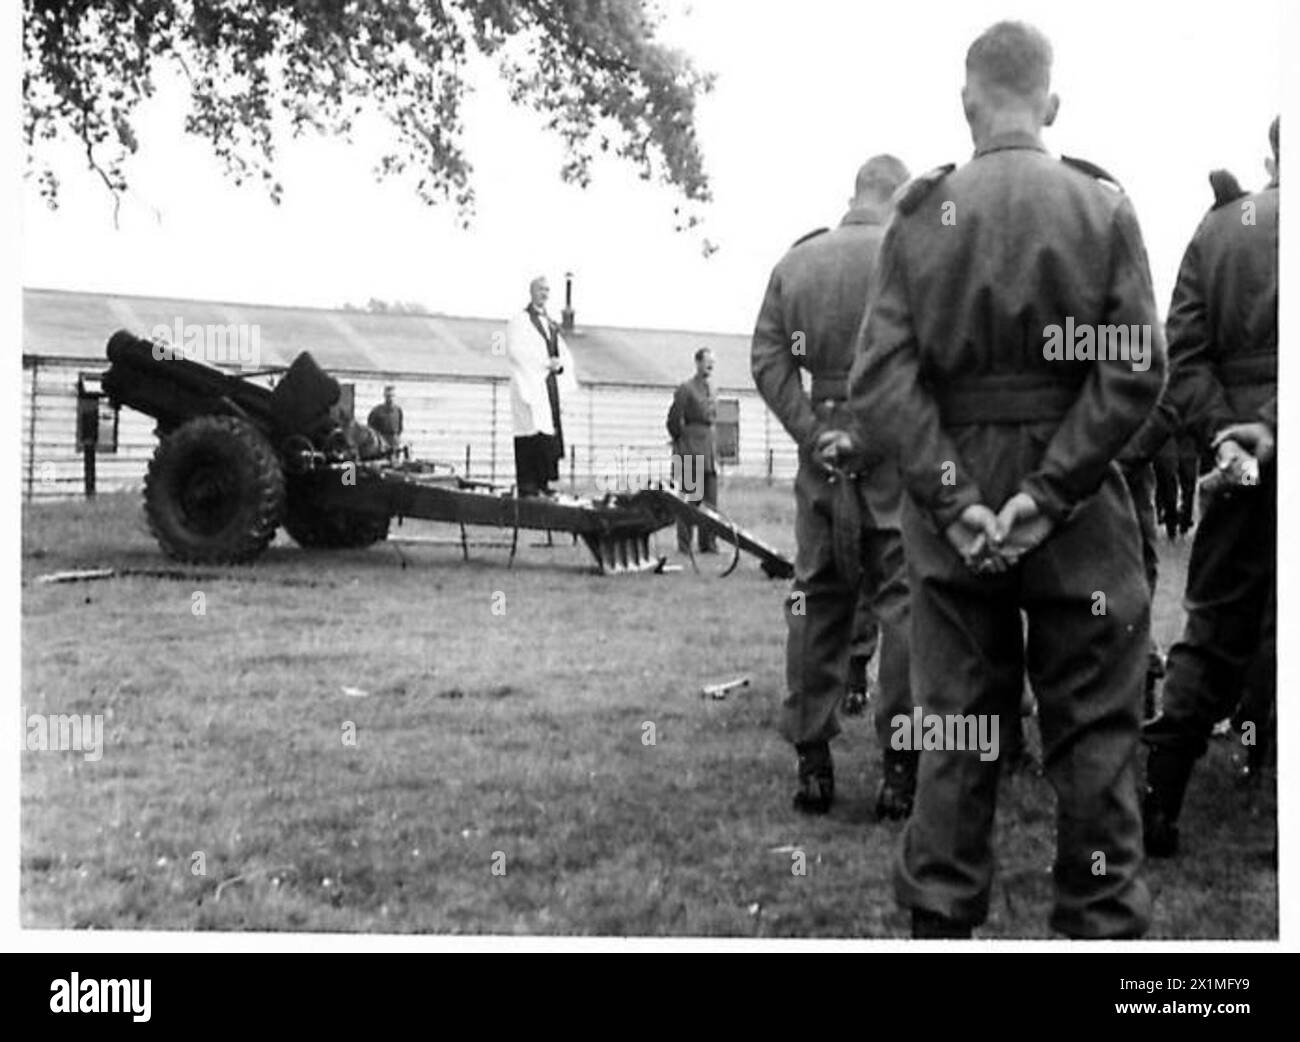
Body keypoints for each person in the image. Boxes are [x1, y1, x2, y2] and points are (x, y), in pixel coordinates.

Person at [849, 21, 1164, 938]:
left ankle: (943, 918)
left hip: (954, 511)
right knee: (1096, 739)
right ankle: (1101, 921)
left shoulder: (918, 215)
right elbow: (1132, 367)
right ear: (1052, 105)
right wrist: (1050, 492)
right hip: (1078, 515)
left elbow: (880, 379)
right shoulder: (1100, 209)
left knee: (954, 732)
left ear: (966, 103)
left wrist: (955, 497)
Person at [752, 154, 916, 819]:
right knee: (905, 609)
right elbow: (932, 357)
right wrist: (873, 435)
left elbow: (766, 356)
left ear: (853, 194)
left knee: (815, 603)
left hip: (819, 452)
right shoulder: (910, 255)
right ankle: (899, 775)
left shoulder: (799, 262)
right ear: (898, 194)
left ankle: (813, 766)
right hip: (895, 458)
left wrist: (810, 431)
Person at [1141, 118, 1278, 858]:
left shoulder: (1221, 229)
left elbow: (1182, 353)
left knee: (1212, 629)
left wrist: (1229, 430)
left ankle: (1159, 801)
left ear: (1272, 157)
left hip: (1233, 462)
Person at [504, 276, 577, 496]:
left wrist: (559, 364)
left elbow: (562, 353)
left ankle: (544, 483)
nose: (544, 294)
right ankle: (528, 485)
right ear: (531, 292)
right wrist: (545, 363)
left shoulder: (550, 323)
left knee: (548, 434)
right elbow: (517, 351)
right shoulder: (520, 321)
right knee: (530, 432)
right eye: (540, 290)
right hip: (529, 384)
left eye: (547, 290)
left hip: (547, 386)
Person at [666, 348, 719, 553]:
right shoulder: (686, 389)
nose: (710, 366)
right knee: (690, 498)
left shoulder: (713, 389)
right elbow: (673, 419)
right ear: (697, 363)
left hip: (708, 448)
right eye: (707, 362)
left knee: (710, 500)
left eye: (713, 363)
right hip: (690, 448)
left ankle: (709, 544)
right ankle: (685, 544)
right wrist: (681, 440)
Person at [366, 385, 404, 453]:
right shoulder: (377, 411)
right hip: (382, 442)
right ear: (384, 396)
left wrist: (397, 439)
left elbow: (400, 428)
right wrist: (379, 441)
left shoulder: (398, 410)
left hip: (394, 442)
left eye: (392, 396)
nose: (391, 398)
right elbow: (370, 429)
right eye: (388, 396)